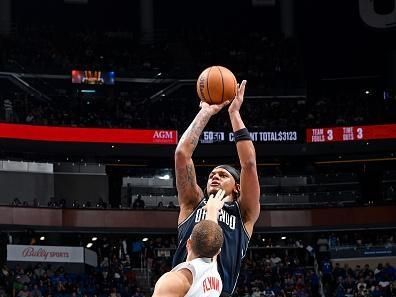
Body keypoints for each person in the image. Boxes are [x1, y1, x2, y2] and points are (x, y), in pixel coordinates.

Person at [172, 80, 261, 296]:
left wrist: (234, 113)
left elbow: (248, 164)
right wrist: (206, 112)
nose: (214, 176)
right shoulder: (193, 203)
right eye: (211, 174)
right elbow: (182, 155)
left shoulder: (244, 213)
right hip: (182, 286)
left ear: (237, 187)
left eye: (223, 175)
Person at [152, 189, 226, 297]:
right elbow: (211, 236)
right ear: (218, 252)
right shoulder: (214, 272)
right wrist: (212, 210)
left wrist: (212, 210)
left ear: (188, 243)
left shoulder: (174, 281)